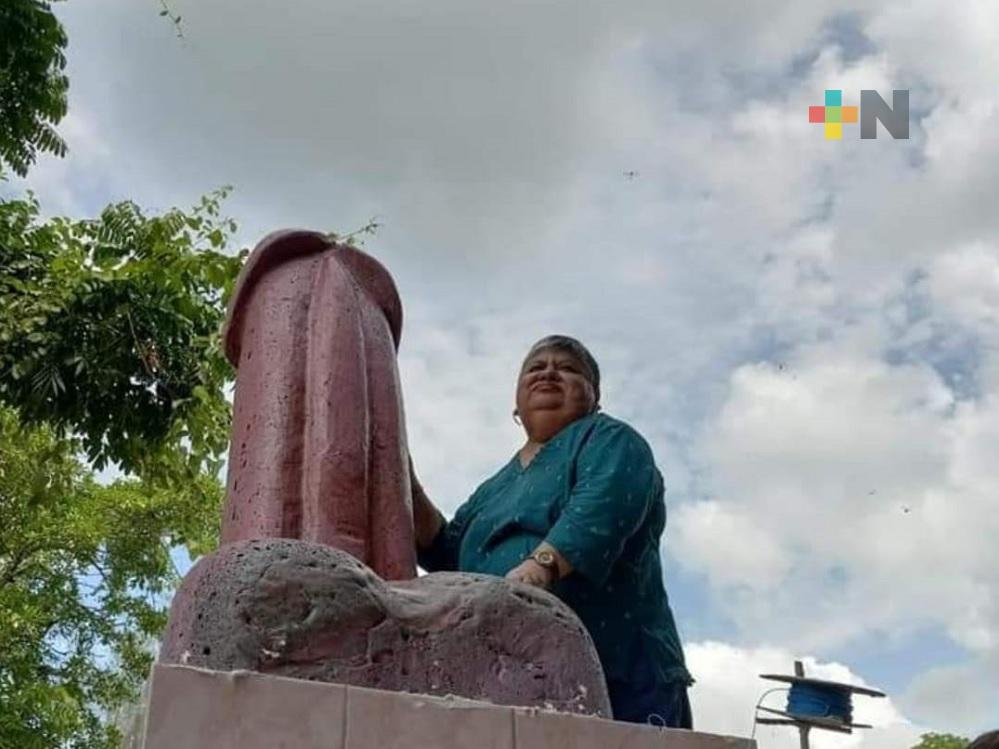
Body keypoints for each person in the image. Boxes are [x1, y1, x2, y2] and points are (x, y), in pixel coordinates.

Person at [410, 334, 693, 727]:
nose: (548, 372)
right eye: (535, 367)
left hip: (620, 672)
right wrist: (403, 481)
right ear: (515, 403)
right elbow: (447, 552)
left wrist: (535, 571)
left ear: (594, 397)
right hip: (506, 674)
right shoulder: (492, 490)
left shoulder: (609, 439)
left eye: (568, 368)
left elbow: (600, 508)